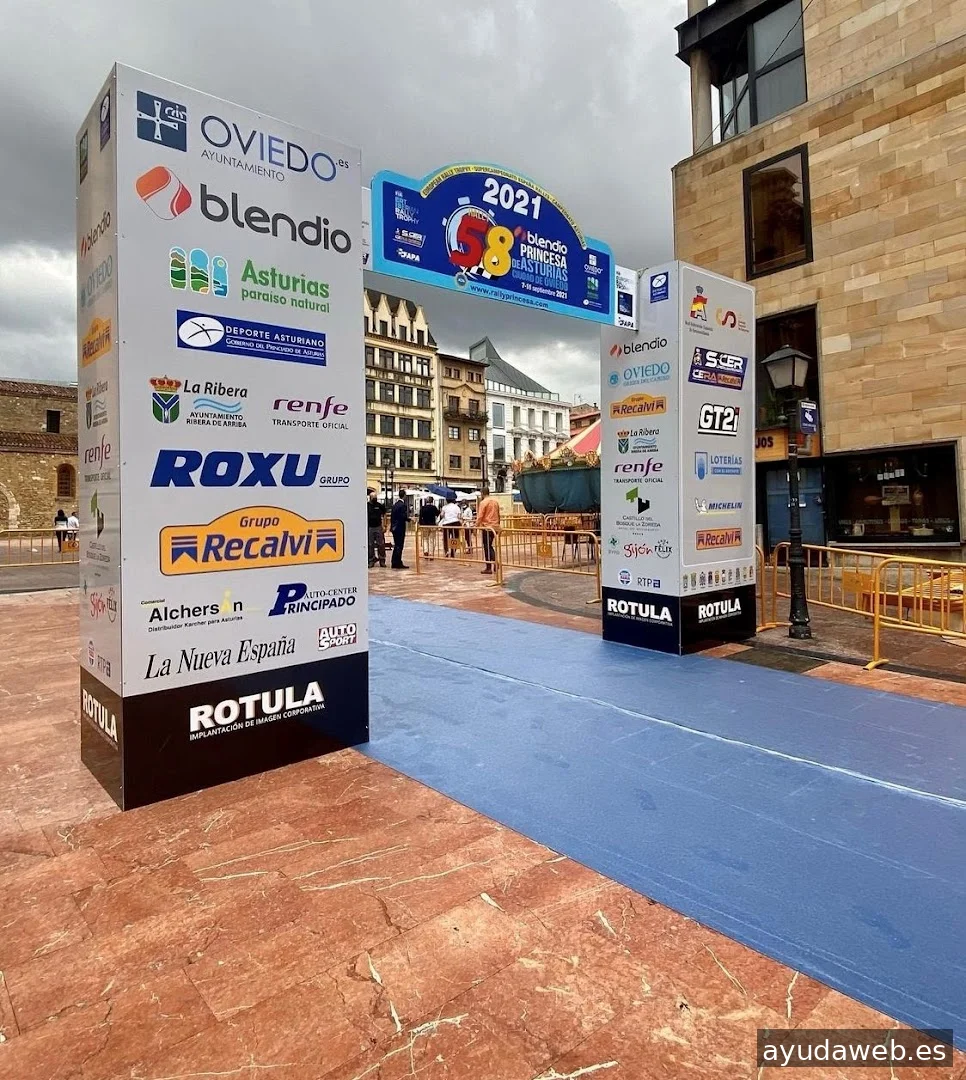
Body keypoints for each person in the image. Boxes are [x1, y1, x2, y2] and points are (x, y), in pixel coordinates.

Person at [476, 486, 501, 574]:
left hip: (487, 527)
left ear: (482, 493)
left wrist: (476, 526)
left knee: (487, 547)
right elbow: (498, 514)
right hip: (495, 527)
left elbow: (480, 516)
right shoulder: (495, 502)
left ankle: (490, 565)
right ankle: (493, 563)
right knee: (489, 546)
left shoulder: (483, 503)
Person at [390, 489, 410, 569]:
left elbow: (392, 517)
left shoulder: (395, 505)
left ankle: (394, 561)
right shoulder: (402, 505)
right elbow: (403, 516)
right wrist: (409, 519)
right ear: (404, 496)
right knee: (399, 545)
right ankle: (398, 562)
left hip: (394, 528)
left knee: (396, 545)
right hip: (400, 528)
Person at [367, 489, 386, 568]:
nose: (375, 499)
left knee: (381, 544)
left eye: (376, 497)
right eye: (373, 497)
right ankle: (371, 560)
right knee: (370, 545)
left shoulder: (379, 505)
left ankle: (382, 560)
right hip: (370, 527)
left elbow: (384, 514)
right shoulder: (367, 506)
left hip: (378, 527)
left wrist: (384, 525)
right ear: (370, 498)